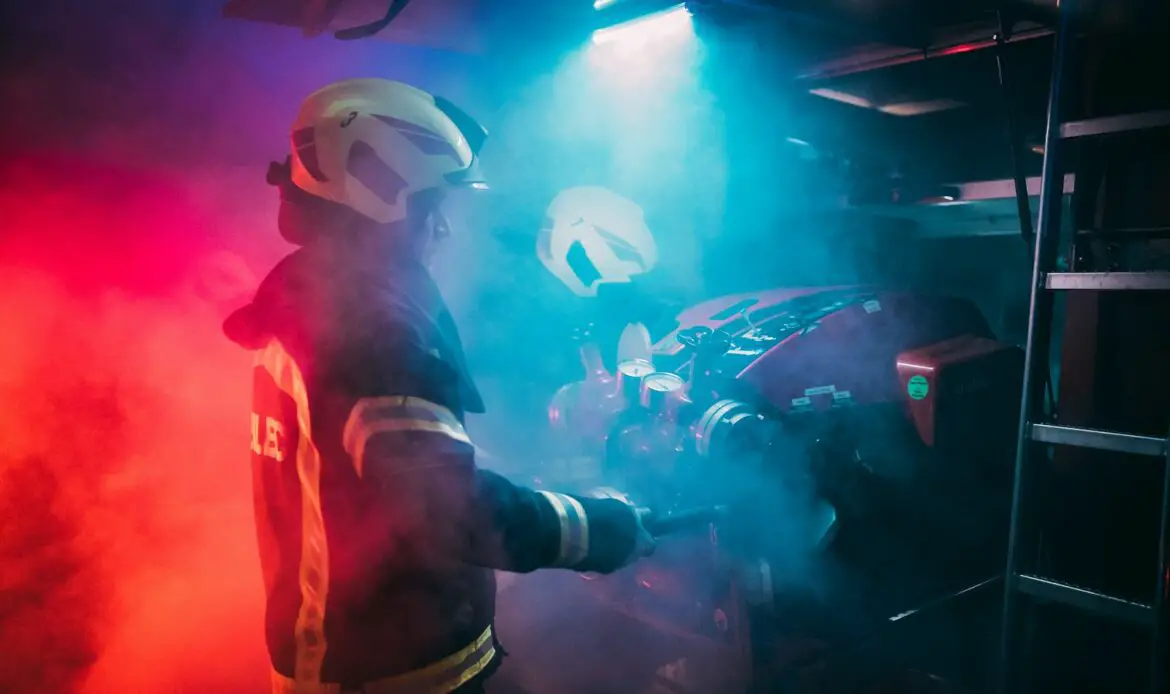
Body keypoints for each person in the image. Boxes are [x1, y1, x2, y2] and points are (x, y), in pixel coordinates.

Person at [223, 78, 655, 694]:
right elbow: (447, 512)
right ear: (381, 197)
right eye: (433, 209)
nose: (443, 232)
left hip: (371, 659)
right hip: (384, 671)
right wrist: (599, 529)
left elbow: (388, 466)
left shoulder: (309, 297)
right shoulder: (367, 329)